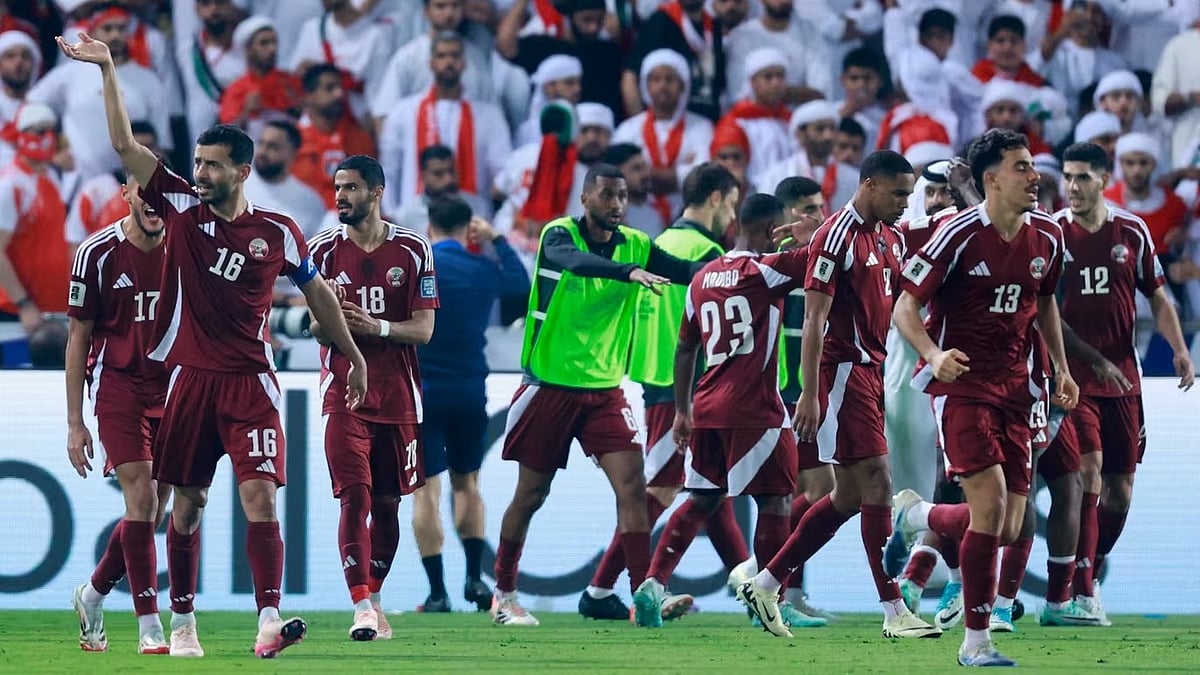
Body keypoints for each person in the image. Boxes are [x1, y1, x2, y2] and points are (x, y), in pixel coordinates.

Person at [59, 31, 368, 659]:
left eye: (212, 166)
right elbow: (124, 144)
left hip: (251, 379)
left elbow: (318, 296)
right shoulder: (177, 207)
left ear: (242, 171)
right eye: (196, 164)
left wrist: (353, 355)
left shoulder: (278, 230)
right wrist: (108, 68)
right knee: (185, 506)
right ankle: (180, 626)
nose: (199, 174)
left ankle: (269, 620)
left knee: (260, 494)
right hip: (187, 378)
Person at [888, 129, 1078, 667]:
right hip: (962, 385)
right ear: (990, 179)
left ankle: (919, 515)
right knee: (990, 510)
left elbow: (1044, 305)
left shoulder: (1048, 236)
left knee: (1013, 525)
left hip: (1018, 389)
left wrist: (1060, 368)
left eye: (1033, 167)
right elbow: (905, 308)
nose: (1034, 176)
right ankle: (976, 642)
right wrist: (931, 354)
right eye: (1021, 167)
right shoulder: (956, 234)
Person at [736, 151, 939, 640]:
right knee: (877, 481)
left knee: (845, 495)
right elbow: (813, 319)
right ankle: (894, 610)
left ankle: (765, 583)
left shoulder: (887, 237)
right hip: (843, 371)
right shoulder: (837, 236)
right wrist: (809, 393)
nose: (903, 203)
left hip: (868, 371)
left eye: (909, 195)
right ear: (868, 185)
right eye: (897, 194)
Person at [490, 163, 702, 628]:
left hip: (605, 391)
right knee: (531, 495)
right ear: (585, 199)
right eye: (607, 195)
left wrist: (734, 269)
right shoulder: (558, 235)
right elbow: (575, 263)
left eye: (623, 196)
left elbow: (688, 271)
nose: (616, 205)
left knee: (632, 487)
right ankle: (504, 594)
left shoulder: (639, 244)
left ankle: (642, 598)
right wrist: (628, 273)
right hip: (550, 384)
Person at [580, 162, 744, 622]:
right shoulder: (708, 251)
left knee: (709, 489)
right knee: (663, 490)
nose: (731, 214)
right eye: (730, 203)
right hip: (686, 387)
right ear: (716, 198)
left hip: (652, 377)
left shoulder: (659, 243)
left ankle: (753, 586)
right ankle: (600, 589)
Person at [1053, 141, 1194, 624]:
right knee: (1088, 475)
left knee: (1120, 492)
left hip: (1125, 379)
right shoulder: (1052, 233)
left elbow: (1157, 297)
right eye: (1067, 177)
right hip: (1073, 380)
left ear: (1103, 178)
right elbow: (1043, 308)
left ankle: (1082, 570)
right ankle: (1082, 592)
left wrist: (1179, 349)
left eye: (1083, 177)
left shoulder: (1130, 230)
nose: (1072, 186)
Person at [306, 155, 438, 640]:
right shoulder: (320, 251)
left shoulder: (414, 249)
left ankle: (375, 596)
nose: (340, 196)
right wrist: (340, 326)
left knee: (387, 505)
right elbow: (317, 328)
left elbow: (424, 330)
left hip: (400, 397)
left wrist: (375, 326)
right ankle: (361, 603)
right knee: (354, 496)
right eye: (337, 187)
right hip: (345, 392)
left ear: (377, 193)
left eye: (352, 188)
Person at [66, 164, 171, 655]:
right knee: (144, 501)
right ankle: (150, 624)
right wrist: (74, 422)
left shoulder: (187, 247)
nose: (152, 201)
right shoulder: (97, 253)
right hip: (120, 389)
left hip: (175, 388)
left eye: (161, 193)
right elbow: (77, 337)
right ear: (127, 193)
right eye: (143, 191)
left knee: (154, 509)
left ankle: (92, 594)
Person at [413, 196, 530, 613]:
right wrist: (498, 240)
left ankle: (437, 592)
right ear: (469, 230)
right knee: (469, 484)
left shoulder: (420, 266)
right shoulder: (482, 267)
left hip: (423, 391)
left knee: (426, 490)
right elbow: (521, 284)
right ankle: (474, 579)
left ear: (429, 229)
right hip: (469, 389)